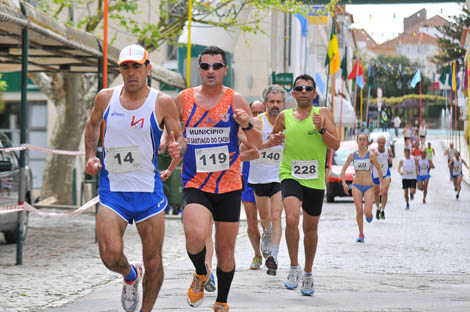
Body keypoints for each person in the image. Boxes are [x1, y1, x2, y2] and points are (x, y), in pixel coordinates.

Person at [84, 44, 184, 312]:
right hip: (112, 190)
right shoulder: (106, 98)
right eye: (125, 67)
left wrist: (178, 149)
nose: (131, 72)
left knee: (153, 262)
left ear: (147, 69)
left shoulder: (162, 102)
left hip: (148, 192)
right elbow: (92, 124)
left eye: (136, 66)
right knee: (110, 255)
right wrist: (90, 156)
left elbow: (180, 138)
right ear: (120, 70)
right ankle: (130, 275)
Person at [175, 46, 262, 312]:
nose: (210, 71)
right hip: (195, 182)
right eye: (205, 66)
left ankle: (221, 301)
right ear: (199, 69)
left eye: (216, 66)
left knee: (226, 251)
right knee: (195, 236)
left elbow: (257, 145)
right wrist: (174, 144)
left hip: (229, 186)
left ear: (225, 70)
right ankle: (201, 272)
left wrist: (246, 123)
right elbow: (173, 134)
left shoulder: (235, 100)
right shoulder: (183, 99)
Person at [269, 74, 339, 296]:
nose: (304, 91)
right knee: (291, 217)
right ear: (294, 93)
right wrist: (275, 139)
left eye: (309, 88)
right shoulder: (284, 116)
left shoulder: (324, 113)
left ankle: (308, 273)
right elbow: (273, 138)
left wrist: (321, 130)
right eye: (300, 88)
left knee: (310, 229)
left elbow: (335, 145)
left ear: (315, 93)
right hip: (290, 174)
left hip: (315, 180)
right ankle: (293, 266)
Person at [248, 85, 286, 276]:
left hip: (279, 176)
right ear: (265, 104)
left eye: (278, 102)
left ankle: (274, 256)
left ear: (284, 104)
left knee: (277, 214)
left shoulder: (289, 122)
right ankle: (267, 232)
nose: (275, 105)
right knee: (265, 218)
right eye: (272, 102)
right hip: (259, 177)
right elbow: (245, 150)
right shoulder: (257, 123)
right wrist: (267, 144)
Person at [341, 133, 383, 242]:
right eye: (360, 139)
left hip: (369, 186)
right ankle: (361, 234)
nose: (362, 141)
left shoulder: (371, 155)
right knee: (359, 211)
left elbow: (378, 169)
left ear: (367, 142)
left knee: (367, 212)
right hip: (356, 186)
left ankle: (369, 216)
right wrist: (344, 183)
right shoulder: (352, 155)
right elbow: (343, 169)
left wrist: (382, 185)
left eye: (364, 139)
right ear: (357, 141)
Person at [240, 100, 265, 270]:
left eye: (259, 112)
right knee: (251, 221)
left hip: (267, 178)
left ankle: (269, 248)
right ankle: (257, 254)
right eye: (253, 112)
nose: (256, 116)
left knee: (267, 220)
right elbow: (243, 150)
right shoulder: (242, 130)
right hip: (248, 178)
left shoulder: (271, 128)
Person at [371, 135, 392, 220]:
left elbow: (390, 156)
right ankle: (378, 208)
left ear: (385, 143)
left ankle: (383, 210)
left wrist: (390, 159)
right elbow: (367, 155)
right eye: (379, 142)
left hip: (385, 173)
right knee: (376, 194)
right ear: (377, 143)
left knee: (384, 191)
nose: (381, 144)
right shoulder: (373, 151)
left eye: (383, 143)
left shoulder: (388, 150)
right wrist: (372, 155)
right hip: (376, 174)